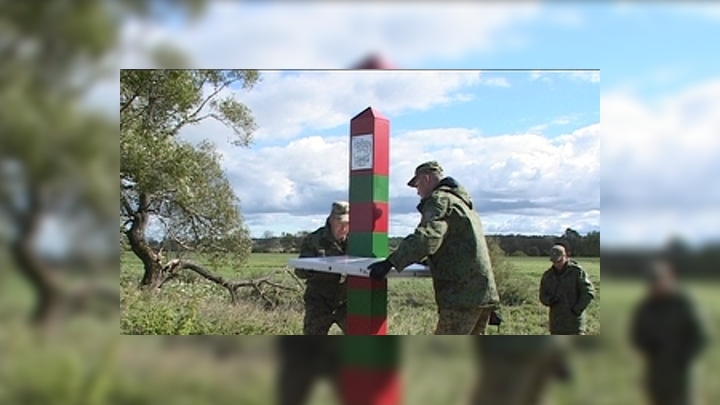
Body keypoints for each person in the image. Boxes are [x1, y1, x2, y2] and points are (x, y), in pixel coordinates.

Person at [367, 161, 500, 335]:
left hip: (461, 296)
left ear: (426, 179)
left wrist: (391, 262)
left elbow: (427, 237)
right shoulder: (462, 202)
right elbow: (457, 246)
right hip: (481, 294)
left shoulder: (439, 200)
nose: (417, 191)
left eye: (417, 185)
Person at [630, 259, 707, 405]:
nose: (657, 287)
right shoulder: (646, 307)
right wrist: (648, 346)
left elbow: (700, 335)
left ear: (669, 279)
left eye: (660, 281)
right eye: (653, 283)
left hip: (680, 373)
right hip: (656, 371)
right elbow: (637, 334)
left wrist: (683, 355)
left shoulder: (683, 304)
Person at [295, 201, 350, 335]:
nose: (344, 228)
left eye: (347, 224)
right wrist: (314, 268)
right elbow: (300, 271)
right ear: (331, 220)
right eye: (340, 223)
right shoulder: (314, 240)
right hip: (319, 302)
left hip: (345, 302)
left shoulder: (357, 241)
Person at [539, 244, 595, 335]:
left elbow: (588, 292)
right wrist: (549, 300)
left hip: (575, 325)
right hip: (556, 324)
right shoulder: (548, 276)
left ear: (565, 256)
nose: (557, 264)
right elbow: (543, 295)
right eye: (554, 261)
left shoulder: (577, 272)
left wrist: (576, 310)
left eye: (559, 261)